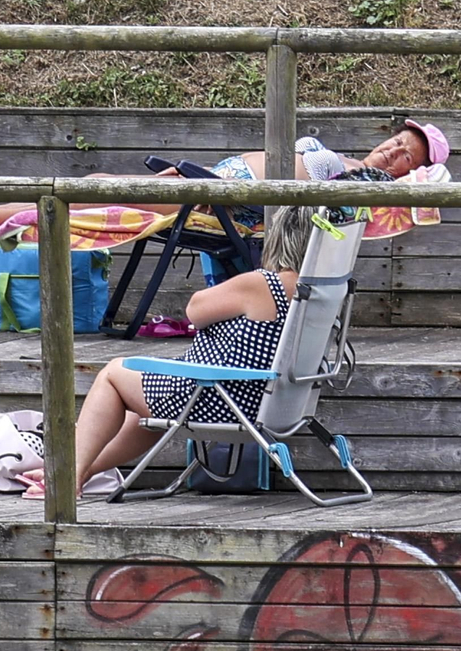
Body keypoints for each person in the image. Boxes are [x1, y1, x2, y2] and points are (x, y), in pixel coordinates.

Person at [50, 202, 315, 499]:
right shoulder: (322, 291)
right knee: (144, 404)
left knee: (114, 373)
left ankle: (65, 476)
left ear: (281, 238)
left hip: (221, 399)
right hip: (275, 402)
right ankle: (80, 472)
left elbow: (195, 310)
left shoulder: (264, 284)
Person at [0, 121, 448, 243]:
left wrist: (416, 175)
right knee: (96, 179)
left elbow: (431, 186)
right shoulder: (336, 155)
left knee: (97, 193)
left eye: (408, 155)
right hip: (210, 186)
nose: (396, 150)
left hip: (228, 208)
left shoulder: (364, 181)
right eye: (399, 139)